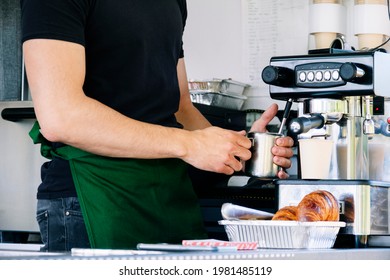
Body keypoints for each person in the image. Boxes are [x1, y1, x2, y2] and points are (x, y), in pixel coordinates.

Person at [21, 0, 294, 252]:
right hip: (93, 200)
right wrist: (190, 145)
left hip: (167, 199)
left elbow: (180, 107)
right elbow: (60, 116)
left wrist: (241, 150)